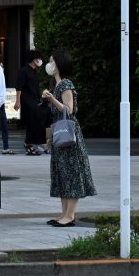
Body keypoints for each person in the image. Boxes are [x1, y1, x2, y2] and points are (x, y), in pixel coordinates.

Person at [41, 50, 96, 226]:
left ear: (59, 64)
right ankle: (64, 214)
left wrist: (51, 99)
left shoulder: (65, 84)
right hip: (60, 134)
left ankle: (70, 216)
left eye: (52, 61)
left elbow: (68, 109)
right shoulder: (56, 85)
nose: (49, 64)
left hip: (69, 135)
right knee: (62, 173)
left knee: (71, 173)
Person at [14, 50, 46, 156]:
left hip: (34, 100)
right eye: (38, 58)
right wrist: (17, 101)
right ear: (33, 59)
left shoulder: (35, 71)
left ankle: (30, 144)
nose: (40, 60)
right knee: (31, 122)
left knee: (35, 121)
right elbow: (19, 87)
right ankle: (30, 145)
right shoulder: (24, 71)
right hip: (27, 101)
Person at [0, 62, 12, 154]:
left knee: (3, 126)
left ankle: (6, 146)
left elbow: (1, 92)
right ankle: (5, 146)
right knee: (2, 126)